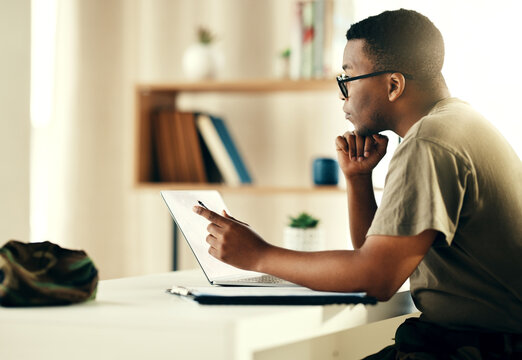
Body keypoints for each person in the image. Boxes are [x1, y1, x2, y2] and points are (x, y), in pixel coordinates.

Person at [194, 9, 522, 359]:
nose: (342, 96)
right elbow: (375, 255)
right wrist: (358, 178)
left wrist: (260, 256)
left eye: (347, 79)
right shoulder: (455, 122)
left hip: (482, 348)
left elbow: (376, 278)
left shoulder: (429, 141)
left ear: (393, 85)